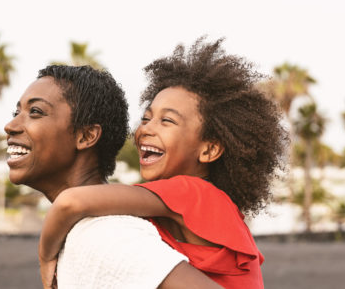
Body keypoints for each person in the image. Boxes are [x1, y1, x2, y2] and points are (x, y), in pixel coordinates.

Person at [39, 37, 288, 288]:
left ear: (209, 149)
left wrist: (46, 256)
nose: (146, 129)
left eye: (167, 121)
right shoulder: (204, 201)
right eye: (146, 118)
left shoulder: (191, 192)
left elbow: (70, 202)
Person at [4, 65, 221, 289]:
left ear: (87, 136)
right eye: (16, 113)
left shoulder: (109, 237)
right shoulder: (96, 231)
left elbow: (70, 203)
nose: (10, 126)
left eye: (36, 112)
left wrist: (45, 256)